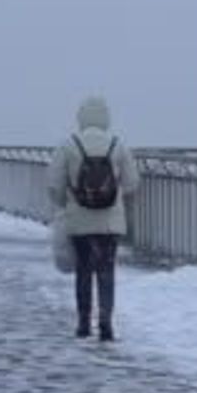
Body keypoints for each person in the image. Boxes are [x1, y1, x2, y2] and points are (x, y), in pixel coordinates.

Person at [46, 97, 139, 342]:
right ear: (105, 118)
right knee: (107, 271)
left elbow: (54, 185)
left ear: (82, 118)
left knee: (84, 271)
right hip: (110, 223)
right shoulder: (118, 145)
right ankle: (106, 322)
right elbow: (131, 183)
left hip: (80, 221)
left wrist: (67, 203)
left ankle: (83, 323)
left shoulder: (69, 145)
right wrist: (112, 195)